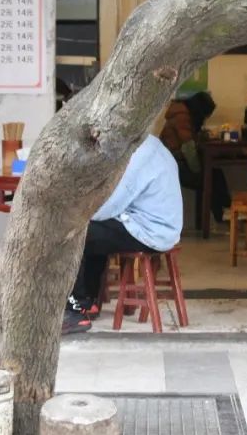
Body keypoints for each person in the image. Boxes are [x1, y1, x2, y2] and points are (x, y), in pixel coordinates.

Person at [64, 134, 183, 334]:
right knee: (94, 231)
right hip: (159, 227)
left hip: (149, 231)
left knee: (74, 234)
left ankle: (74, 313)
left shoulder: (140, 155)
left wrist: (74, 214)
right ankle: (86, 302)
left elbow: (110, 205)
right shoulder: (151, 144)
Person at [159, 91, 230, 225]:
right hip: (175, 166)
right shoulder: (182, 117)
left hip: (172, 164)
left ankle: (224, 211)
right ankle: (223, 212)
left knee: (214, 175)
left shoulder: (180, 113)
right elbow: (188, 149)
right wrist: (198, 170)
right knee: (211, 178)